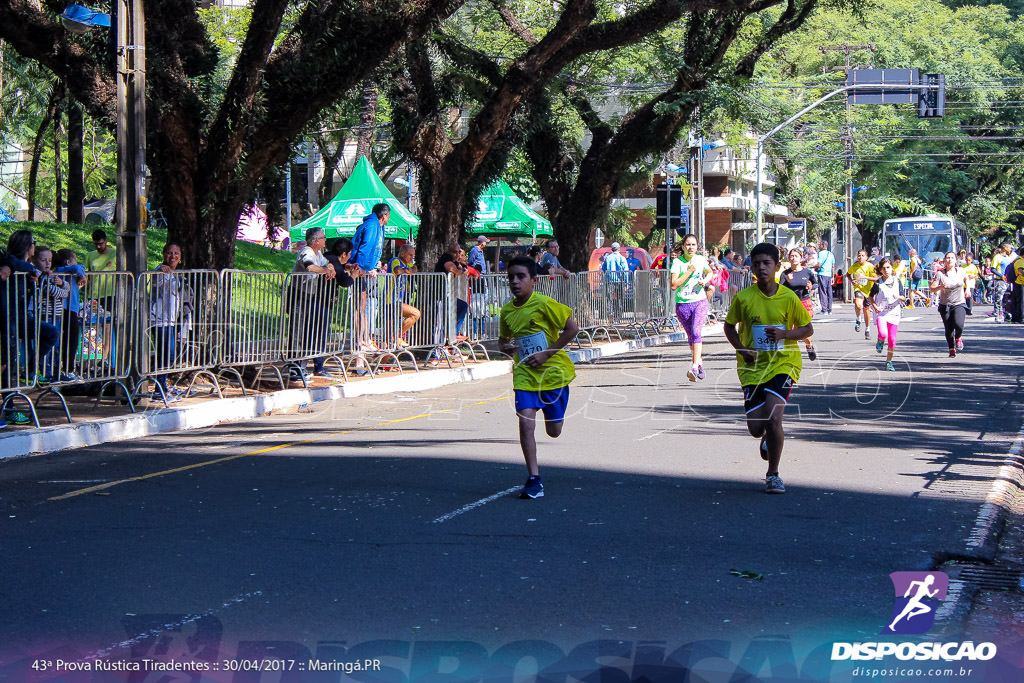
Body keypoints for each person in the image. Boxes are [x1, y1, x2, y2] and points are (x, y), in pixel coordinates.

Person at [723, 242, 813, 495]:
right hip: (752, 367)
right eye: (757, 263)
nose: (762, 268)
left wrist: (785, 333)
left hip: (784, 363)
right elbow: (729, 326)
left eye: (767, 263)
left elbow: (807, 329)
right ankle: (768, 437)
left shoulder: (789, 297)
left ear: (776, 266)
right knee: (756, 428)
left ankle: (773, 474)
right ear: (751, 266)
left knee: (774, 418)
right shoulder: (744, 298)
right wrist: (741, 349)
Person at [498, 255, 579, 499]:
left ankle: (555, 416)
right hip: (524, 375)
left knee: (554, 431)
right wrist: (505, 347)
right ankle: (534, 478)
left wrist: (546, 354)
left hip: (553, 375)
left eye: (520, 277)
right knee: (525, 423)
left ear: (534, 280)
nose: (515, 281)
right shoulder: (507, 311)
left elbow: (572, 329)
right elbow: (503, 340)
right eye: (510, 277)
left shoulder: (544, 304)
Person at [290, 227, 336, 378]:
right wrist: (326, 270)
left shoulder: (318, 253)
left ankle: (300, 366)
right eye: (323, 238)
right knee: (297, 331)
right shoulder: (307, 251)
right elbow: (310, 267)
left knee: (306, 332)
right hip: (298, 296)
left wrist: (329, 267)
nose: (325, 240)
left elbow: (327, 263)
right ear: (316, 241)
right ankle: (294, 368)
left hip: (308, 296)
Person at [148, 242, 191, 400]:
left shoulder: (177, 274)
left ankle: (162, 386)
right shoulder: (159, 271)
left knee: (170, 355)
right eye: (169, 253)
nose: (173, 256)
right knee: (166, 354)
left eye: (176, 253)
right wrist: (160, 271)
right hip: (159, 319)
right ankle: (159, 388)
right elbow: (153, 285)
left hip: (171, 320)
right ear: (163, 254)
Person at [670, 235, 713, 381]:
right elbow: (674, 285)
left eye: (693, 245)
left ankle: (694, 367)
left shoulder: (700, 260)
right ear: (683, 247)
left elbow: (710, 272)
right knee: (691, 337)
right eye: (688, 245)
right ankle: (699, 362)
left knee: (696, 332)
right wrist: (689, 271)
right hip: (683, 304)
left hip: (699, 301)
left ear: (697, 247)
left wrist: (704, 280)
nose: (691, 247)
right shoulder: (677, 262)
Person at [350, 203, 389, 350]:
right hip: (360, 271)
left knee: (363, 307)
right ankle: (360, 342)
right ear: (384, 216)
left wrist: (373, 266)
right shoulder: (373, 225)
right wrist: (362, 268)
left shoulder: (377, 226)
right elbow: (365, 247)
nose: (388, 219)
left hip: (364, 270)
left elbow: (373, 249)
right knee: (360, 307)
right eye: (388, 216)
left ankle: (364, 340)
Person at [32, 246, 72, 382]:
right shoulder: (39, 278)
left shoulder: (52, 277)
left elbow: (66, 289)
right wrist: (63, 289)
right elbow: (56, 293)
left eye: (50, 260)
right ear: (34, 260)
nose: (48, 263)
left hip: (58, 315)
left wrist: (62, 284)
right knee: (47, 346)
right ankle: (46, 372)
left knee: (57, 346)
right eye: (44, 260)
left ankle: (56, 371)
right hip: (46, 315)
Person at [53, 249, 87, 381]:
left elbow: (80, 267)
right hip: (67, 308)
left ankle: (67, 369)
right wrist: (81, 274)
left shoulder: (69, 272)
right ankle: (68, 370)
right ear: (68, 261)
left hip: (70, 308)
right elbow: (77, 267)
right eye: (75, 259)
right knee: (71, 340)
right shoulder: (64, 270)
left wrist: (81, 273)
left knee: (70, 339)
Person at [930, 251, 971, 356]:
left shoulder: (961, 271)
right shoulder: (940, 274)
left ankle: (958, 337)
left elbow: (966, 279)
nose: (949, 260)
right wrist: (940, 287)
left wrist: (968, 289)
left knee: (959, 324)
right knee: (948, 328)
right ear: (944, 260)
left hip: (959, 302)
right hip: (945, 305)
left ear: (955, 260)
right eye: (947, 258)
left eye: (952, 258)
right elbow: (932, 289)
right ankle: (951, 348)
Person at [869, 258, 905, 372]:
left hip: (894, 312)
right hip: (882, 313)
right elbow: (870, 297)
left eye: (888, 267)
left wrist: (898, 297)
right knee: (883, 334)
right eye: (883, 268)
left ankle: (889, 361)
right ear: (880, 270)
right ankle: (880, 340)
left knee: (892, 340)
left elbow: (904, 297)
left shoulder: (897, 280)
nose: (886, 270)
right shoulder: (878, 283)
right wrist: (874, 306)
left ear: (892, 268)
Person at [781, 248, 818, 360]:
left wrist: (811, 286)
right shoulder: (785, 274)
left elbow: (816, 284)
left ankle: (809, 346)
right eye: (791, 256)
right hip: (790, 304)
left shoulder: (807, 272)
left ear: (801, 258)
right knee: (793, 330)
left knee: (803, 329)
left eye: (796, 256)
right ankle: (794, 355)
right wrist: (787, 281)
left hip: (804, 302)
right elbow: (779, 289)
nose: (793, 258)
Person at [386, 243, 422, 347]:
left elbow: (415, 268)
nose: (412, 258)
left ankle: (396, 337)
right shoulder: (395, 260)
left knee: (389, 339)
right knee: (415, 313)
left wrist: (410, 270)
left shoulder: (406, 263)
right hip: (389, 301)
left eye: (413, 256)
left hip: (398, 300)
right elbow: (397, 270)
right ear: (402, 254)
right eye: (410, 255)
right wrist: (406, 270)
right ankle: (396, 337)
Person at [848, 249, 877, 339]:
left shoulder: (870, 266)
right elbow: (848, 274)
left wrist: (865, 277)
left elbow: (875, 278)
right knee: (858, 304)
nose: (860, 257)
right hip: (858, 288)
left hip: (868, 290)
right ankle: (858, 318)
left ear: (866, 257)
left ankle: (867, 329)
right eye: (859, 255)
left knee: (866, 310)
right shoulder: (854, 266)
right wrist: (852, 281)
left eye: (862, 256)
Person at [990, 243, 1015, 321]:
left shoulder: (1008, 257)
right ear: (1004, 248)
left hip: (1008, 281)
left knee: (1006, 299)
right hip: (1000, 281)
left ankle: (1005, 314)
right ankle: (997, 315)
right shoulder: (997, 257)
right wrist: (1001, 276)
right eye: (1009, 248)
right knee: (998, 298)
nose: (1010, 249)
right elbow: (992, 269)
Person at [1006, 244, 1024, 324]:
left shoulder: (1017, 260)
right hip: (1020, 283)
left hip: (1017, 283)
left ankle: (1015, 318)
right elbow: (1020, 272)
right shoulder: (1020, 261)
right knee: (1021, 301)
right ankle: (1020, 317)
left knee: (1017, 301)